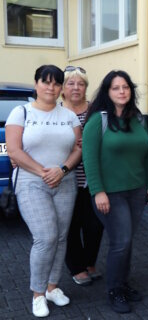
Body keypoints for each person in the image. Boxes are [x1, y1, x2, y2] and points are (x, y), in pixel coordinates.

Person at [6, 65, 82, 318]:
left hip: (64, 181)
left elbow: (78, 148)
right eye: (45, 82)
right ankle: (37, 294)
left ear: (61, 87)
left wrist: (62, 169)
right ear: (36, 84)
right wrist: (43, 172)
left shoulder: (69, 116)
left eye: (56, 83)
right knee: (46, 236)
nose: (51, 87)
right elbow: (14, 150)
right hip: (31, 182)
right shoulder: (21, 112)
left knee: (60, 237)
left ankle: (52, 287)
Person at [82, 70, 148, 314]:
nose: (122, 91)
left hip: (136, 192)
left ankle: (122, 284)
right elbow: (89, 159)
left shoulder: (138, 120)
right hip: (110, 194)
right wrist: (98, 191)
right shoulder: (98, 121)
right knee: (120, 241)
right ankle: (114, 290)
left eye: (125, 87)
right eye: (116, 88)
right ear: (107, 92)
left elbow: (146, 157)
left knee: (126, 241)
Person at [62, 66, 104, 287]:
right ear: (63, 87)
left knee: (95, 225)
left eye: (81, 84)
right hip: (66, 180)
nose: (76, 88)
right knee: (70, 226)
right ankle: (77, 267)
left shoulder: (96, 112)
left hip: (93, 179)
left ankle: (90, 262)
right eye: (71, 83)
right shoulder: (57, 111)